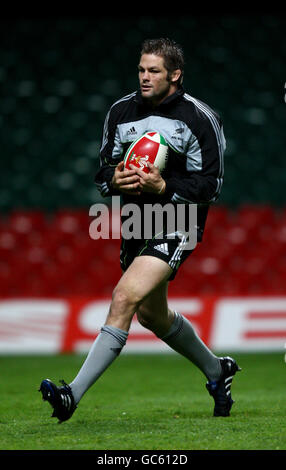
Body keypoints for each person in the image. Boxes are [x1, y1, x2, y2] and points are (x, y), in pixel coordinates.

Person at [39, 38, 241, 422]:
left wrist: (165, 188)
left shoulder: (199, 118)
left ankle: (71, 396)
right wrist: (115, 180)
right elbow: (102, 173)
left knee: (123, 297)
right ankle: (217, 371)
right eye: (141, 70)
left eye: (154, 71)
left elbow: (212, 186)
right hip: (135, 223)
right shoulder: (120, 112)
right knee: (152, 315)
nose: (144, 77)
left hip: (179, 222)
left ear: (175, 75)